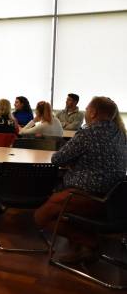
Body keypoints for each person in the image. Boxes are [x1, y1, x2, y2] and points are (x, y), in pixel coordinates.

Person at [35, 97, 127, 263]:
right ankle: (83, 244)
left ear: (93, 112)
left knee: (41, 216)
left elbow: (57, 159)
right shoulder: (120, 134)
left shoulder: (88, 133)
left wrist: (73, 162)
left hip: (91, 196)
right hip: (117, 199)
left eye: (87, 109)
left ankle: (90, 243)